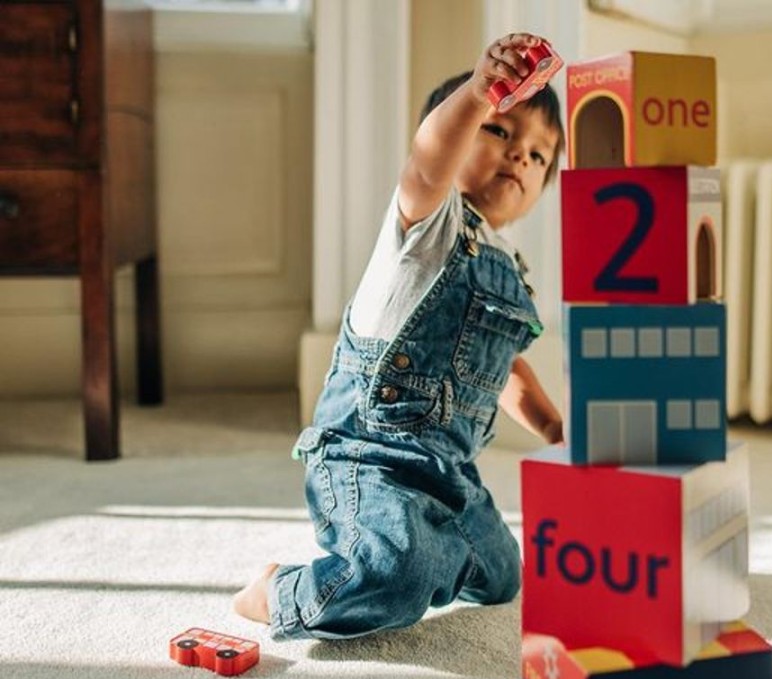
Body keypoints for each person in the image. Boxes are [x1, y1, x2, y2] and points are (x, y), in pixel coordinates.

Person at [234, 32, 565, 639]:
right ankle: (278, 590)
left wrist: (554, 427)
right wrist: (478, 92)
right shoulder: (428, 221)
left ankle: (424, 539)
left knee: (503, 576)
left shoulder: (513, 267)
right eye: (500, 130)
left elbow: (504, 369)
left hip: (450, 470)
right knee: (395, 574)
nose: (521, 155)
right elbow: (427, 162)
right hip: (368, 456)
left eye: (540, 155)